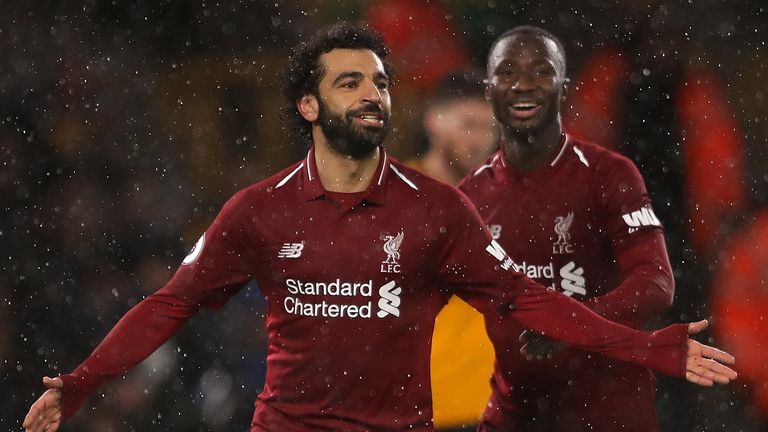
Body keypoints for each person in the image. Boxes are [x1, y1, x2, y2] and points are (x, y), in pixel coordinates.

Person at [23, 22, 736, 432]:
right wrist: (83, 382)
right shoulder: (257, 209)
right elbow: (169, 305)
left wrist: (640, 346)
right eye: (350, 82)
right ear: (308, 106)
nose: (373, 95)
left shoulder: (437, 210)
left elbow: (529, 301)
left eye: (381, 82)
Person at [457, 25, 689, 431]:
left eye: (542, 72)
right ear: (489, 89)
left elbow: (657, 282)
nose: (524, 85)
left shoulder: (609, 175)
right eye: (508, 72)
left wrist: (574, 325)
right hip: (518, 415)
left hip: (609, 414)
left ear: (564, 88)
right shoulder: (470, 195)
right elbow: (411, 297)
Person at [405, 69, 497, 430]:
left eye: (490, 128)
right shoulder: (390, 200)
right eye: (468, 124)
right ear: (435, 121)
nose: (480, 139)